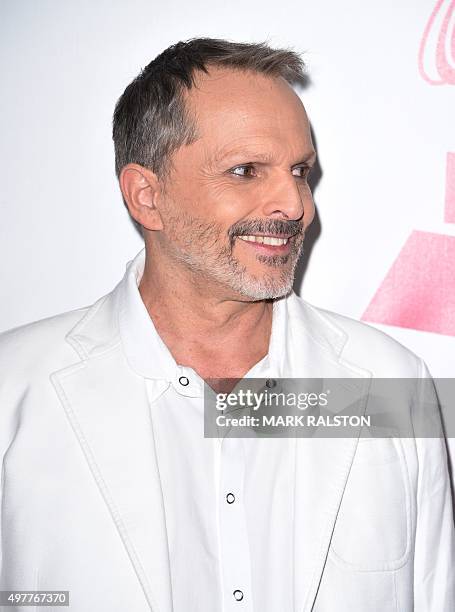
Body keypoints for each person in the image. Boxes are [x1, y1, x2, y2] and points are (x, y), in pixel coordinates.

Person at [0, 37, 453, 612]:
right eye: (245, 171)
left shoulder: (392, 385)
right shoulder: (13, 391)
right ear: (147, 196)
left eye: (299, 170)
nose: (295, 204)